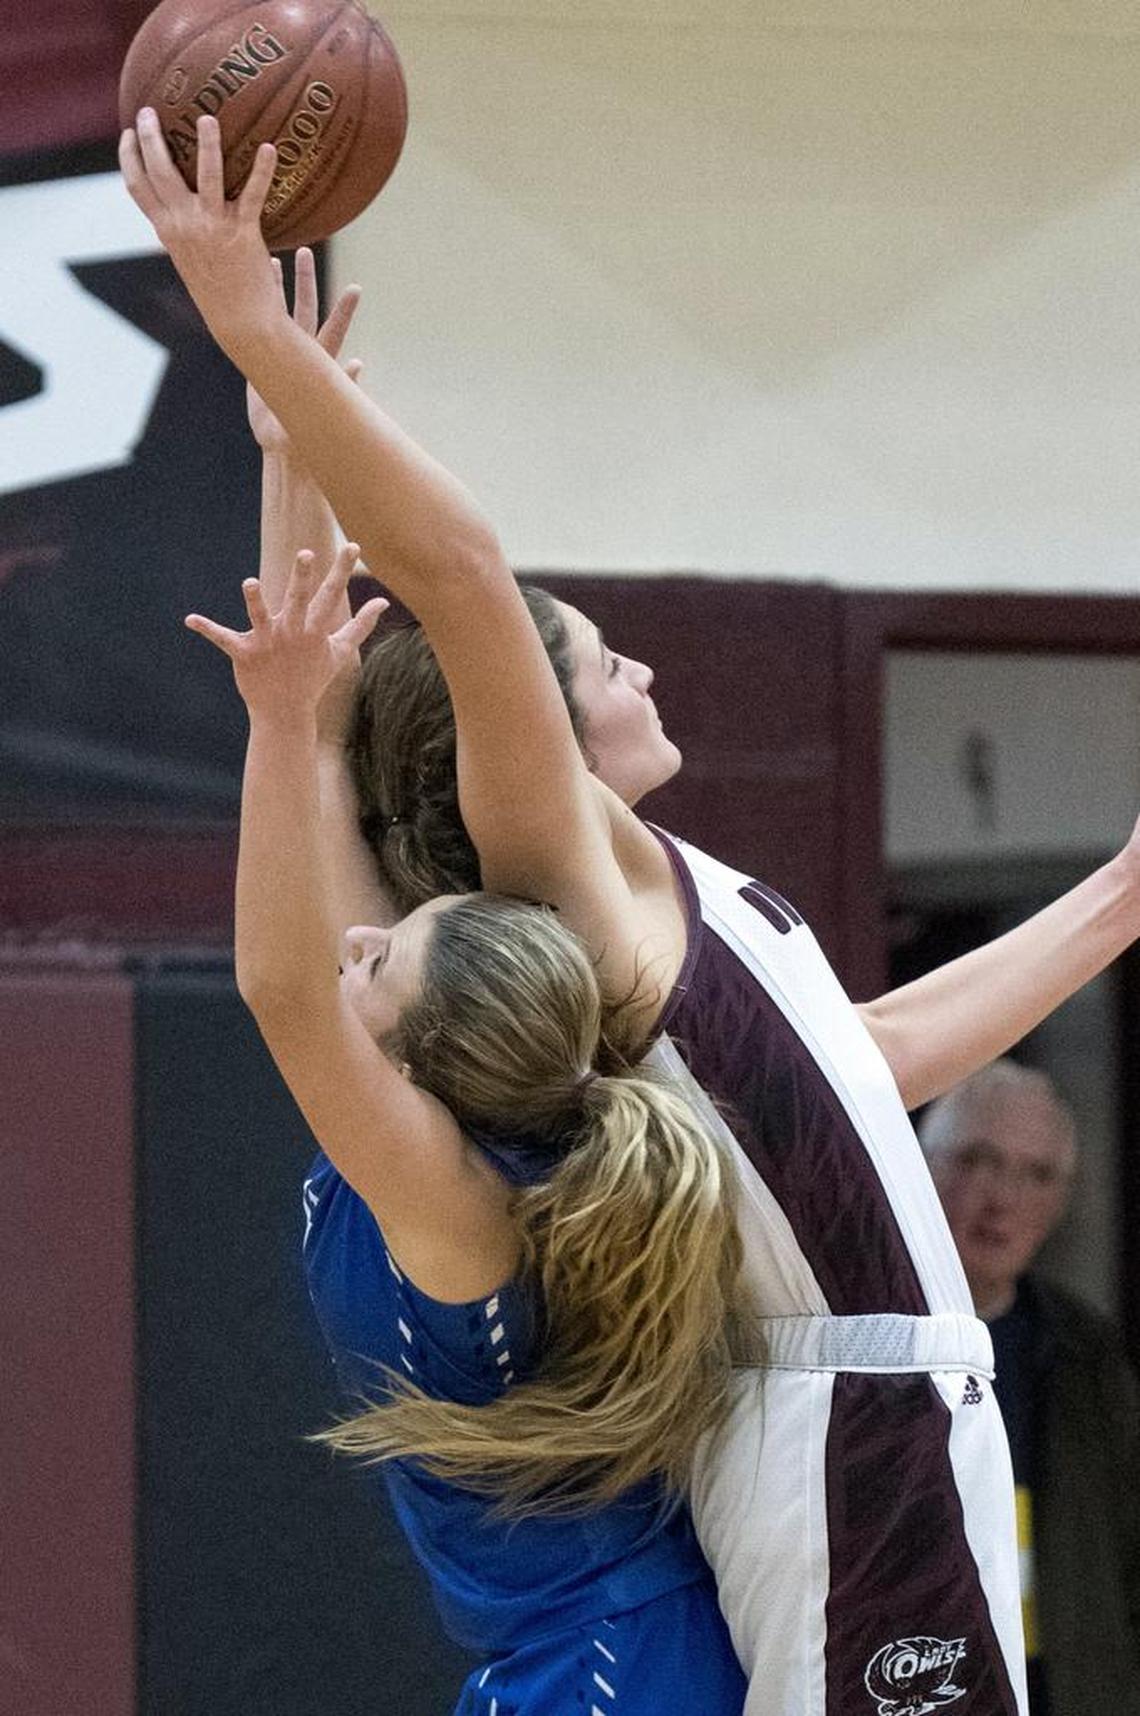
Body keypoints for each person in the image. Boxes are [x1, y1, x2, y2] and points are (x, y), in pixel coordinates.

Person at [120, 110, 1140, 1715]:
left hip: (858, 1424)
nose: (638, 668)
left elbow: (860, 1058)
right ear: (522, 731)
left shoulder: (652, 911)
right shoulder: (555, 867)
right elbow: (451, 579)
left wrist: (1116, 900)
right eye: (595, 660)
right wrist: (253, 332)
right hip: (855, 1430)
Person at [184, 540, 749, 1712]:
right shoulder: (447, 1133)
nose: (358, 936)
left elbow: (282, 986)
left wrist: (279, 726)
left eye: (383, 949)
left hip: (609, 1659)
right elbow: (332, 721)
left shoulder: (447, 1190)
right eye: (383, 940)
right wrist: (289, 453)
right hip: (602, 1648)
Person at [919, 1060, 1140, 1716]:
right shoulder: (862, 1340)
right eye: (979, 1160)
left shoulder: (1084, 1349)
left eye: (1038, 1174)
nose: (1004, 1199)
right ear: (922, 1167)